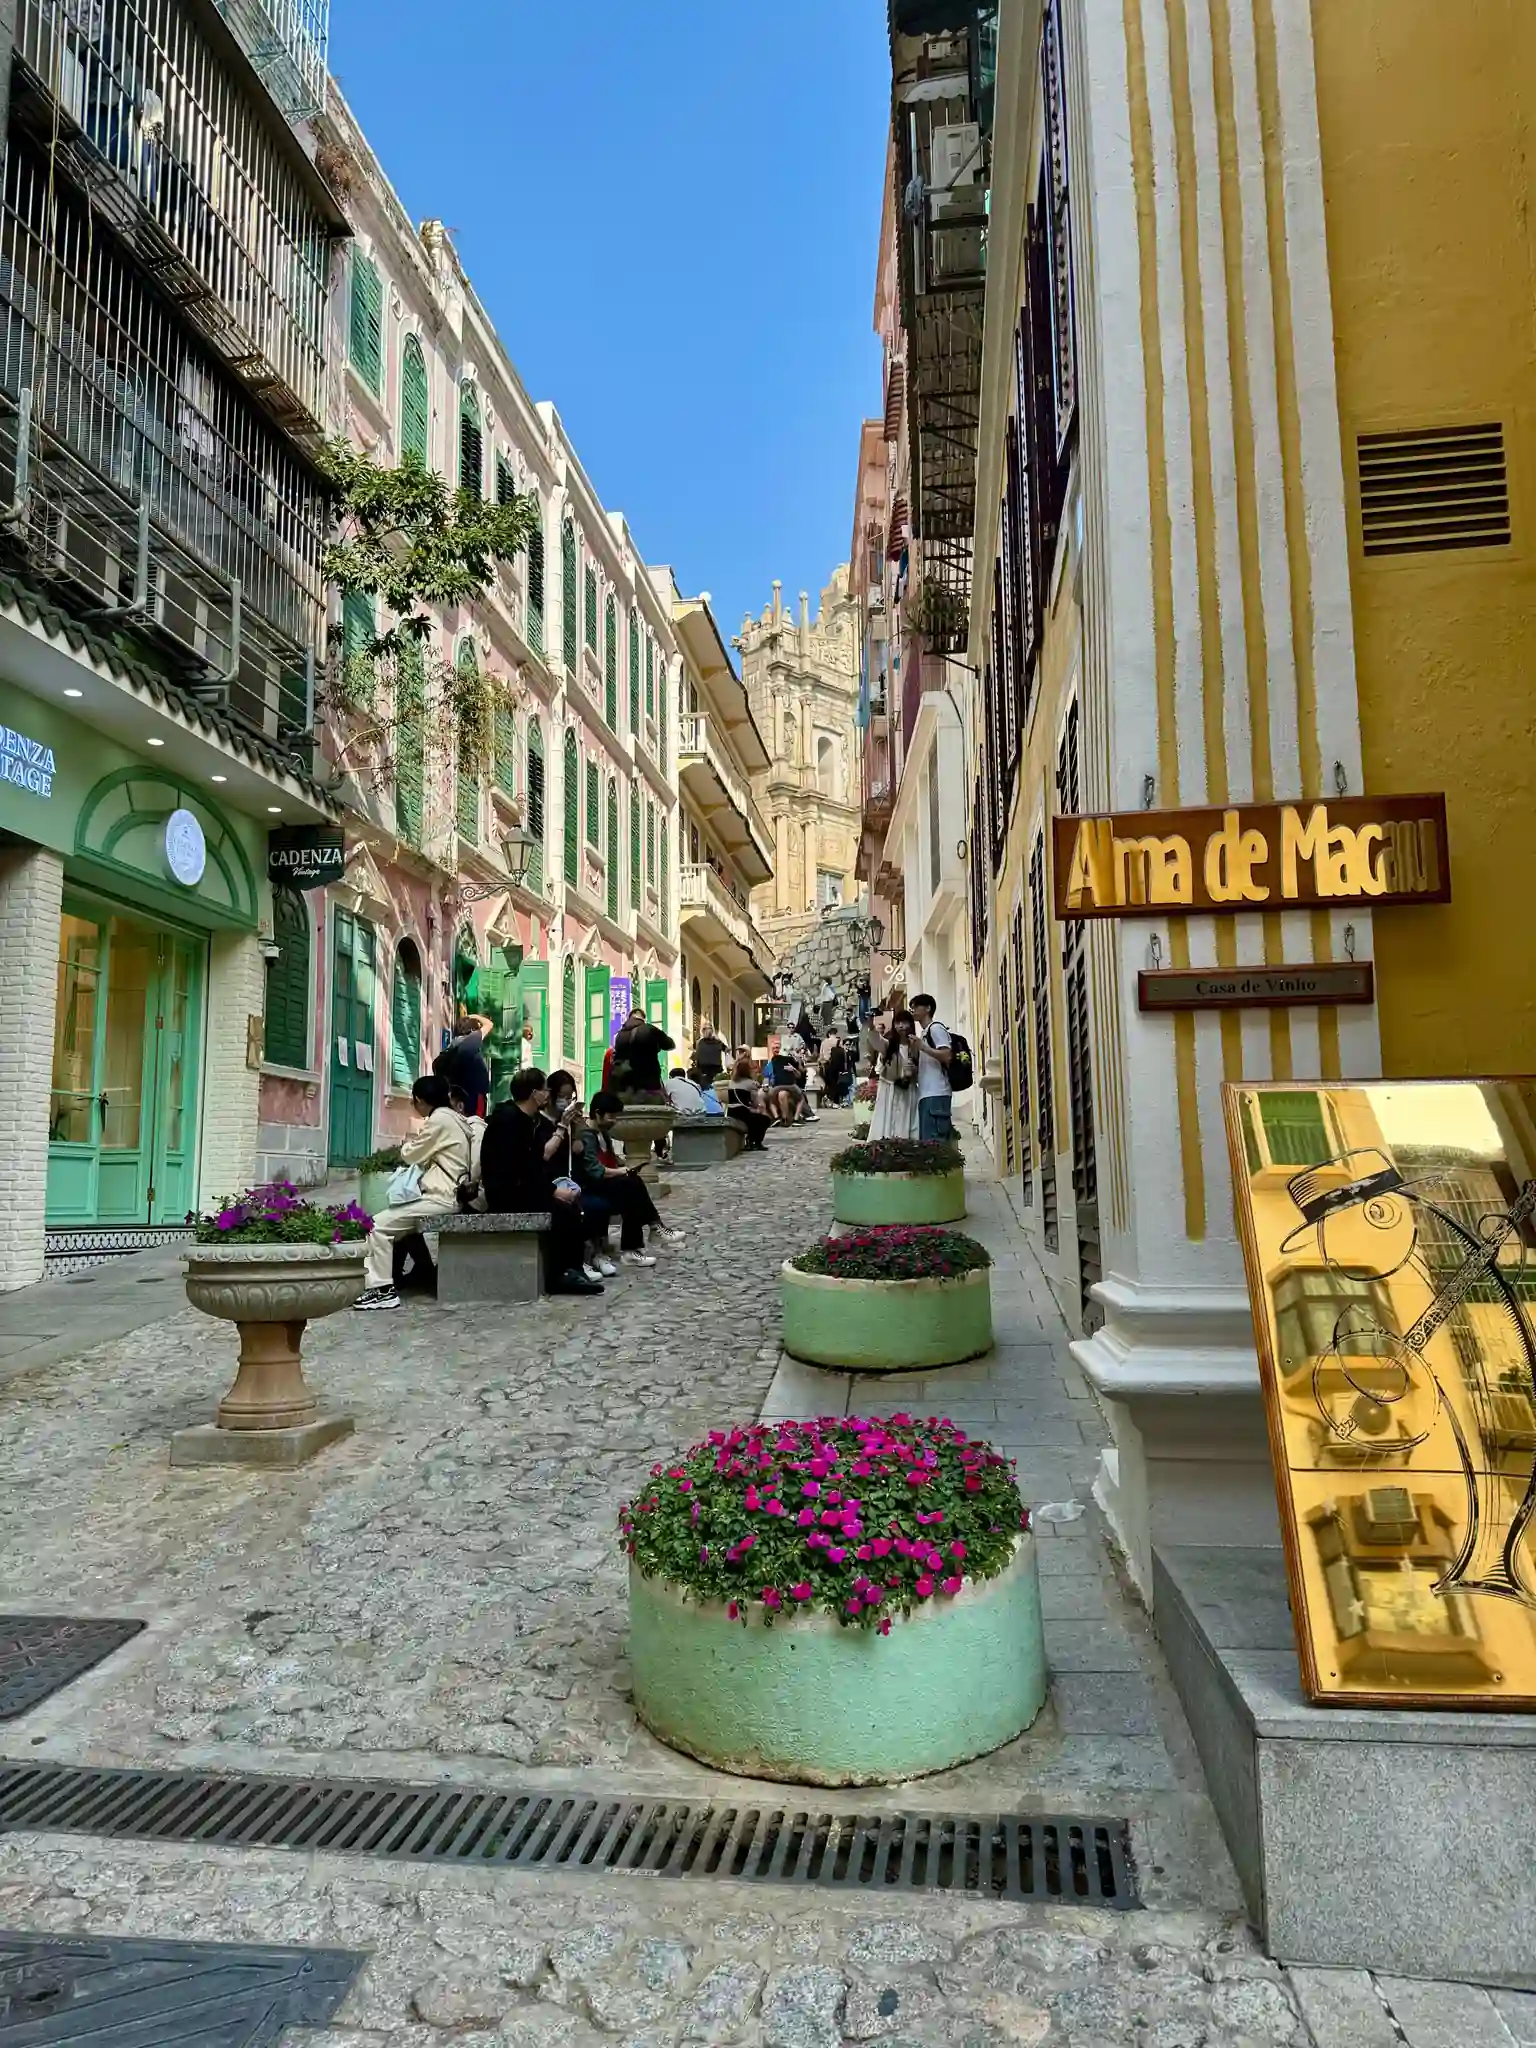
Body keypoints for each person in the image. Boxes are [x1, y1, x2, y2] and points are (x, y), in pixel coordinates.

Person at [355, 1076, 475, 1311]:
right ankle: (415, 1273)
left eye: (414, 1101)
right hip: (449, 1194)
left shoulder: (439, 1120)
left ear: (420, 1100)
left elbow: (411, 1154)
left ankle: (381, 1289)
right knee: (399, 1226)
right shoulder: (454, 1119)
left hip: (440, 1197)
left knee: (377, 1226)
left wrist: (407, 1146)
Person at [479, 1069, 602, 1295]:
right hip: (507, 1193)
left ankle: (572, 1270)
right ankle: (561, 1275)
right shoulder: (509, 1121)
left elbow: (533, 1164)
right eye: (545, 1089)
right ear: (534, 1093)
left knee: (572, 1208)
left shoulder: (525, 1120)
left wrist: (554, 1189)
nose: (548, 1094)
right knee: (564, 1213)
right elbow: (517, 1169)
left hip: (521, 1187)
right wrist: (552, 1192)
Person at [576, 1091, 685, 1266]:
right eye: (611, 1116)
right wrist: (621, 1171)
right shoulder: (587, 1135)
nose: (614, 1121)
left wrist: (623, 1168)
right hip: (591, 1186)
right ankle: (651, 1231)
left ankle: (642, 1241)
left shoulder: (603, 1133)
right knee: (631, 1186)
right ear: (597, 1113)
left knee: (632, 1188)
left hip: (607, 1183)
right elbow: (594, 1170)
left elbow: (610, 1160)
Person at [869, 1011, 921, 1143]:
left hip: (908, 1090)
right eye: (898, 1023)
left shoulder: (916, 1045)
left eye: (904, 1022)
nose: (901, 1026)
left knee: (906, 1122)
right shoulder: (889, 1045)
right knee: (887, 1122)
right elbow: (876, 1041)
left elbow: (921, 1068)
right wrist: (870, 1024)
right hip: (889, 1089)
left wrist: (914, 1070)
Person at [910, 993, 955, 1143]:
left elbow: (946, 1055)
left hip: (937, 1093)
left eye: (916, 1006)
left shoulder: (935, 1029)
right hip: (926, 1093)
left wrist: (922, 1047)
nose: (913, 1009)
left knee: (935, 1144)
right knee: (928, 1145)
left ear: (928, 1008)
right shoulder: (924, 1033)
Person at [433, 1011, 494, 1116]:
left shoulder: (451, 1047)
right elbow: (489, 1024)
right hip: (473, 1096)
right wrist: (473, 1016)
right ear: (473, 1029)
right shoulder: (471, 1040)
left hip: (456, 1097)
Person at [611, 1008, 676, 1095]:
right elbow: (670, 1045)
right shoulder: (649, 1029)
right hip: (647, 1081)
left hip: (624, 1083)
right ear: (643, 1018)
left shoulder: (619, 1035)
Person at [725, 1054, 773, 1150]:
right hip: (742, 1112)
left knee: (754, 1118)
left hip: (731, 1112)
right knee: (765, 1119)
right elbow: (756, 1103)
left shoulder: (732, 1082)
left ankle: (751, 1141)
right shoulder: (751, 1084)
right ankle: (755, 1141)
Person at [692, 1023, 728, 1089]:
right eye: (705, 1029)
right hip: (703, 1069)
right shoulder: (700, 1042)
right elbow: (696, 1052)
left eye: (708, 1029)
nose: (707, 1031)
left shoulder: (718, 1042)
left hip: (715, 1069)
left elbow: (726, 1050)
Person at [821, 1033, 851, 1108]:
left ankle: (828, 1099)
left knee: (831, 1086)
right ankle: (833, 1102)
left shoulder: (833, 1050)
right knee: (836, 1086)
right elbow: (842, 1062)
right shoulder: (842, 1051)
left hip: (828, 1069)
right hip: (836, 1071)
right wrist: (843, 1070)